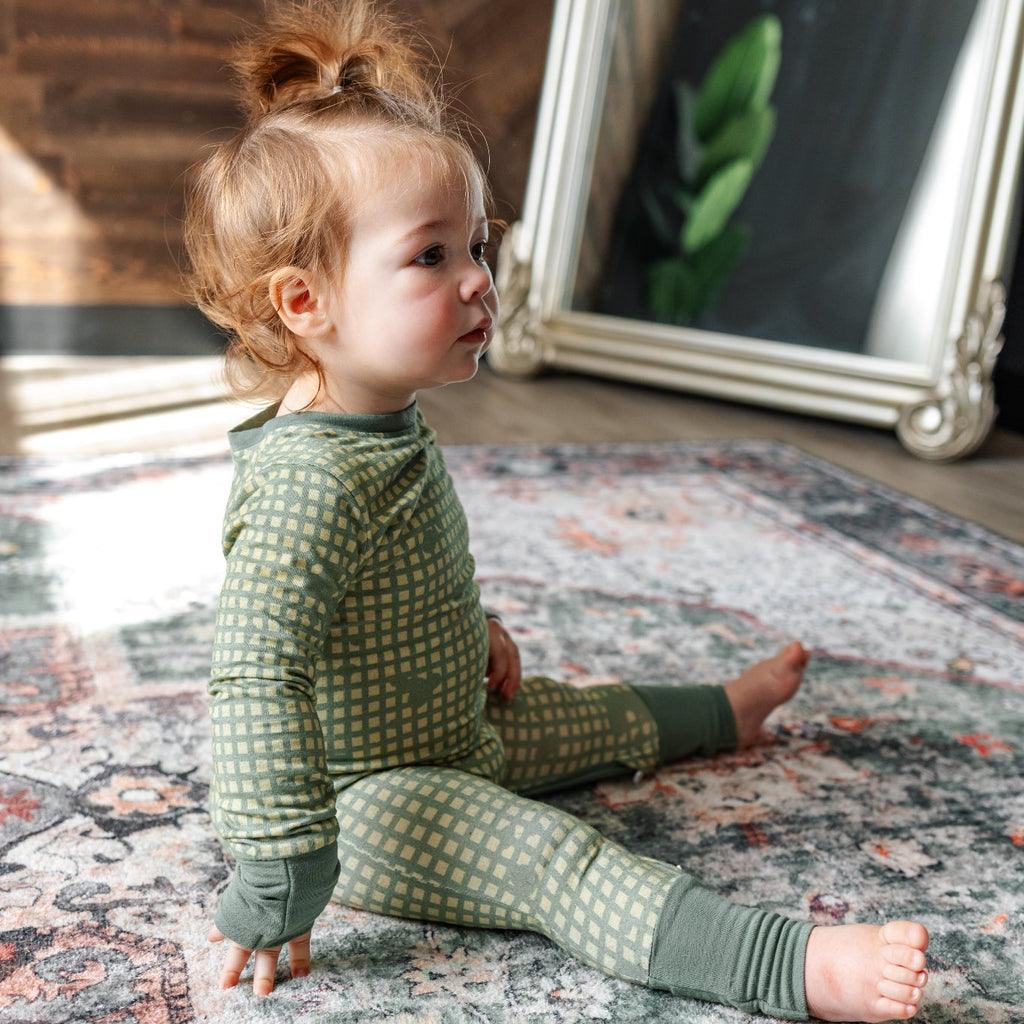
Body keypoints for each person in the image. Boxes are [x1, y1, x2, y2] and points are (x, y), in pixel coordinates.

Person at [184, 2, 930, 1019]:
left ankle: (723, 711)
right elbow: (255, 674)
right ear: (306, 302)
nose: (480, 282)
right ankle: (790, 965)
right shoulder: (307, 477)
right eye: (431, 257)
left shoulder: (377, 418)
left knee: (590, 711)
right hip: (369, 798)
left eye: (476, 246)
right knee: (553, 858)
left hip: (448, 724)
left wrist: (466, 632)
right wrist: (281, 870)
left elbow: (377, 590)